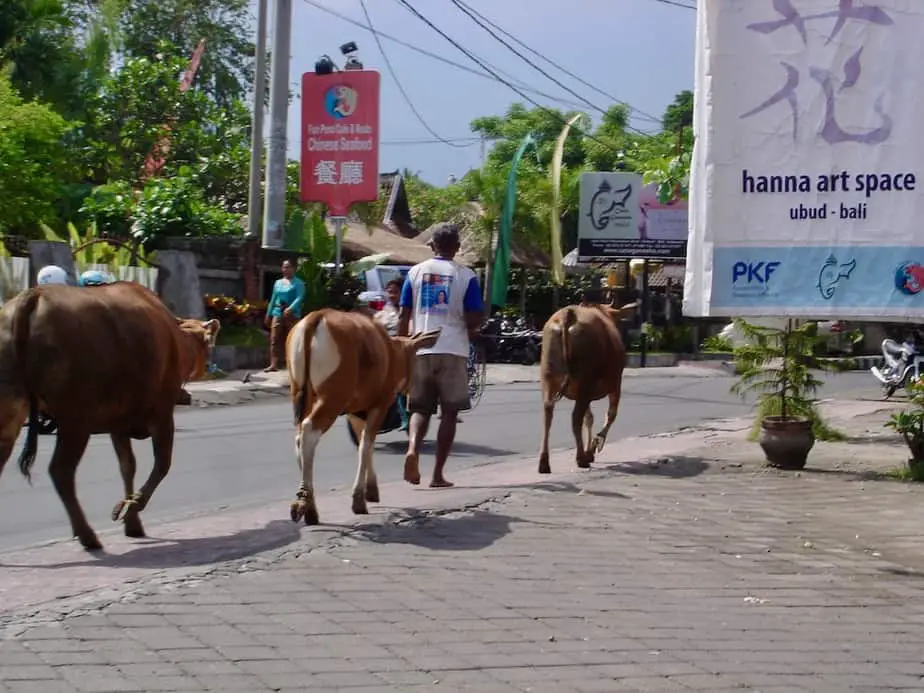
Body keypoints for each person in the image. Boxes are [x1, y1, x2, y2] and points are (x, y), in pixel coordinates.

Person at [398, 222, 483, 488]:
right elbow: (472, 318)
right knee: (448, 413)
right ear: (457, 248)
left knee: (419, 408)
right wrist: (474, 327)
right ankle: (437, 475)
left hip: (421, 347)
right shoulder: (466, 276)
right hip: (453, 349)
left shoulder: (415, 272)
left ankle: (413, 448)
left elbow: (404, 315)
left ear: (432, 245)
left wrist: (403, 346)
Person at [373, 278, 410, 431]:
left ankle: (405, 418)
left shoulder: (408, 312)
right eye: (389, 292)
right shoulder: (382, 314)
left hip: (402, 356)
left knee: (399, 387)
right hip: (383, 355)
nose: (392, 295)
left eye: (395, 292)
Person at [264, 259, 305, 372]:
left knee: (293, 339)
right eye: (284, 267)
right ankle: (273, 364)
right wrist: (268, 313)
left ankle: (292, 363)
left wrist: (291, 308)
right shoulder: (278, 283)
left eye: (288, 267)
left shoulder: (298, 283)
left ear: (294, 269)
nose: (285, 269)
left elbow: (299, 297)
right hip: (277, 312)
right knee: (274, 339)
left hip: (292, 314)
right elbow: (273, 298)